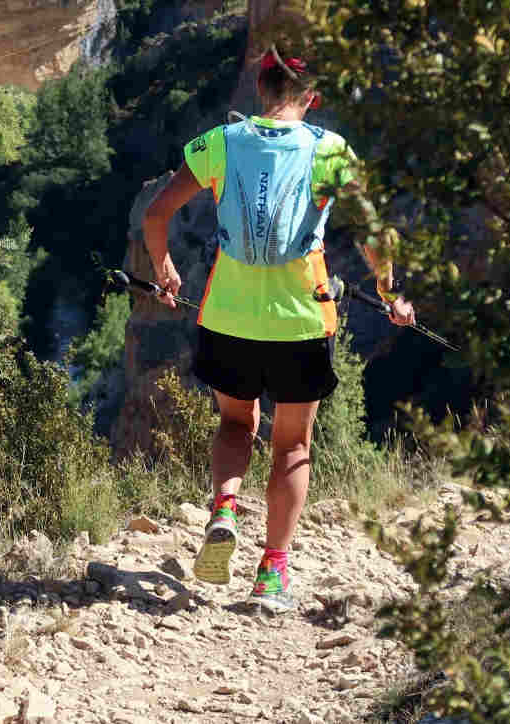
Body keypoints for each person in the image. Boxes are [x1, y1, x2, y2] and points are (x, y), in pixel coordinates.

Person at [140, 50, 415, 613]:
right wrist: (389, 295)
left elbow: (155, 213)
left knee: (237, 422)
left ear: (259, 91)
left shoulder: (221, 141)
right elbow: (375, 234)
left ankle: (223, 508)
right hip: (302, 321)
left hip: (228, 316)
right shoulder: (330, 150)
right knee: (292, 445)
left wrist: (163, 267)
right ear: (311, 99)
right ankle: (271, 573)